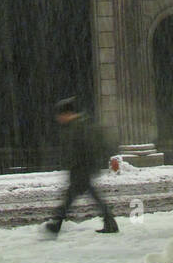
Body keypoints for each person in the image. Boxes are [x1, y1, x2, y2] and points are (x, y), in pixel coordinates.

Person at [45, 99, 119, 235]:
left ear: (67, 113)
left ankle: (56, 223)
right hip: (80, 167)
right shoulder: (75, 125)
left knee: (71, 197)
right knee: (86, 195)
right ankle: (110, 222)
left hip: (82, 167)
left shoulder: (79, 126)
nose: (58, 118)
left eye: (60, 115)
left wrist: (81, 163)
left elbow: (86, 147)